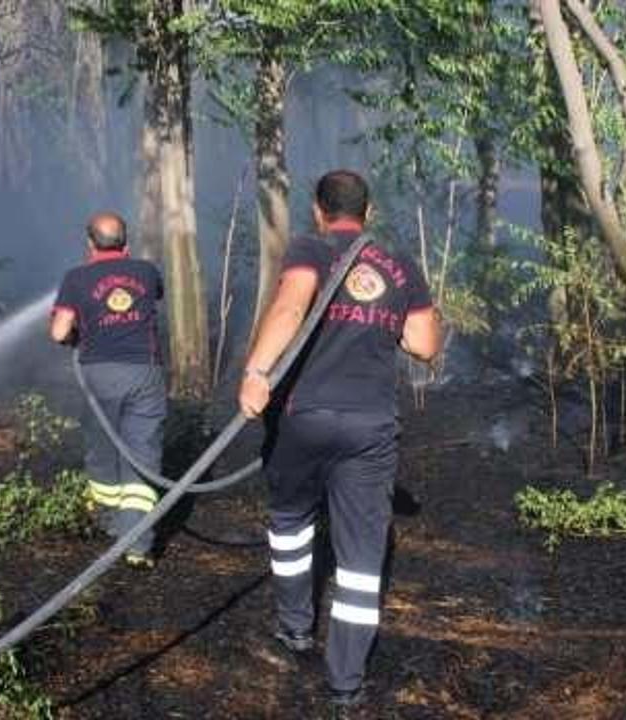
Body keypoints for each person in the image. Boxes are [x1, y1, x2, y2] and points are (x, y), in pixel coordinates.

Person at [239, 170, 442, 708]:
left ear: (317, 210)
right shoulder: (399, 266)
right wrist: (384, 321)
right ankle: (346, 683)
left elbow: (289, 308)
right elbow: (424, 344)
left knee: (290, 523)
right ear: (368, 213)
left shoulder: (309, 248)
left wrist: (256, 373)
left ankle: (294, 627)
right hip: (369, 428)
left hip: (302, 418)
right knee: (360, 558)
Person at [51, 212, 166, 569]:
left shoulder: (76, 278)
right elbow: (153, 297)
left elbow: (59, 332)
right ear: (125, 242)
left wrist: (75, 331)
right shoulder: (146, 271)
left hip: (98, 375)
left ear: (90, 243)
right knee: (142, 455)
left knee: (102, 449)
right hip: (144, 374)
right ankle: (137, 547)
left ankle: (110, 523)